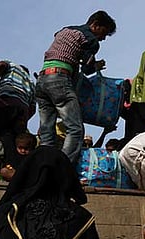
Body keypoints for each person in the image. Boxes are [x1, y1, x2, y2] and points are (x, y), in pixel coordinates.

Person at [35, 10, 116, 163]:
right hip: (59, 80)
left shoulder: (66, 30)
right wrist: (96, 65)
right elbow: (86, 68)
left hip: (42, 80)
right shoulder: (90, 39)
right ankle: (62, 168)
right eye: (103, 33)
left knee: (46, 131)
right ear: (95, 25)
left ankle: (43, 165)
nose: (103, 38)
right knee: (75, 129)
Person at [0, 60, 36, 141]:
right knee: (15, 139)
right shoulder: (31, 84)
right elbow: (33, 109)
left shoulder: (13, 66)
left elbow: (0, 65)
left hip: (7, 100)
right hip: (24, 108)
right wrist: (23, 119)